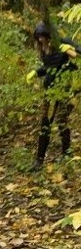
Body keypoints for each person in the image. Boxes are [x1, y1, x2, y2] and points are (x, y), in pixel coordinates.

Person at [27, 22, 79, 171]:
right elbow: (49, 67)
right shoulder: (43, 49)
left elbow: (78, 52)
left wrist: (70, 49)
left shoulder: (62, 42)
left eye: (44, 36)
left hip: (64, 90)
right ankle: (39, 161)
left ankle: (67, 155)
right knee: (45, 123)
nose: (41, 40)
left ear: (50, 35)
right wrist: (37, 72)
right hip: (49, 92)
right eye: (39, 37)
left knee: (62, 121)